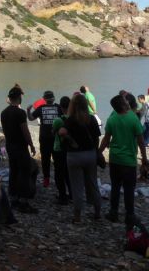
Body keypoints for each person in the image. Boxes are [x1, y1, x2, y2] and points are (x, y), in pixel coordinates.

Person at [99, 95, 148, 224]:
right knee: (129, 189)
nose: (127, 102)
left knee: (115, 187)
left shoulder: (111, 119)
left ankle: (113, 213)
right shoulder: (133, 118)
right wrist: (144, 159)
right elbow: (141, 141)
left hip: (115, 159)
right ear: (123, 105)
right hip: (129, 161)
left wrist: (98, 152)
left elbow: (106, 139)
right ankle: (130, 215)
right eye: (125, 101)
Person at [59, 93, 102, 223]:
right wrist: (96, 152)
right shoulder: (92, 119)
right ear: (85, 104)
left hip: (74, 156)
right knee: (92, 184)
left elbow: (61, 132)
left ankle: (77, 217)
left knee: (76, 186)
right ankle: (97, 213)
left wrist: (69, 139)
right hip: (90, 154)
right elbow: (96, 138)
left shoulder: (70, 120)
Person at [1, 84, 37, 214]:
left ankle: (14, 199)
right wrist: (31, 144)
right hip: (20, 146)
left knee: (14, 171)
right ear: (18, 97)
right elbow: (25, 130)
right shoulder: (20, 112)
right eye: (20, 96)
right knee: (25, 172)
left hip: (10, 145)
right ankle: (24, 202)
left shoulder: (4, 112)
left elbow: (5, 130)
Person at [27, 90, 60, 188]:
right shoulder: (58, 108)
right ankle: (59, 179)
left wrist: (28, 110)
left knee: (45, 160)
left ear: (44, 99)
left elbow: (31, 118)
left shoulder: (41, 108)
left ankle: (46, 180)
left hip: (44, 138)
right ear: (53, 98)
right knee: (57, 160)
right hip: (56, 139)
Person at [52, 96, 72, 204]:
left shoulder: (58, 120)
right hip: (70, 149)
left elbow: (53, 132)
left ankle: (62, 196)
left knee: (59, 173)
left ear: (61, 106)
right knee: (69, 172)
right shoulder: (74, 119)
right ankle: (72, 194)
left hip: (59, 149)